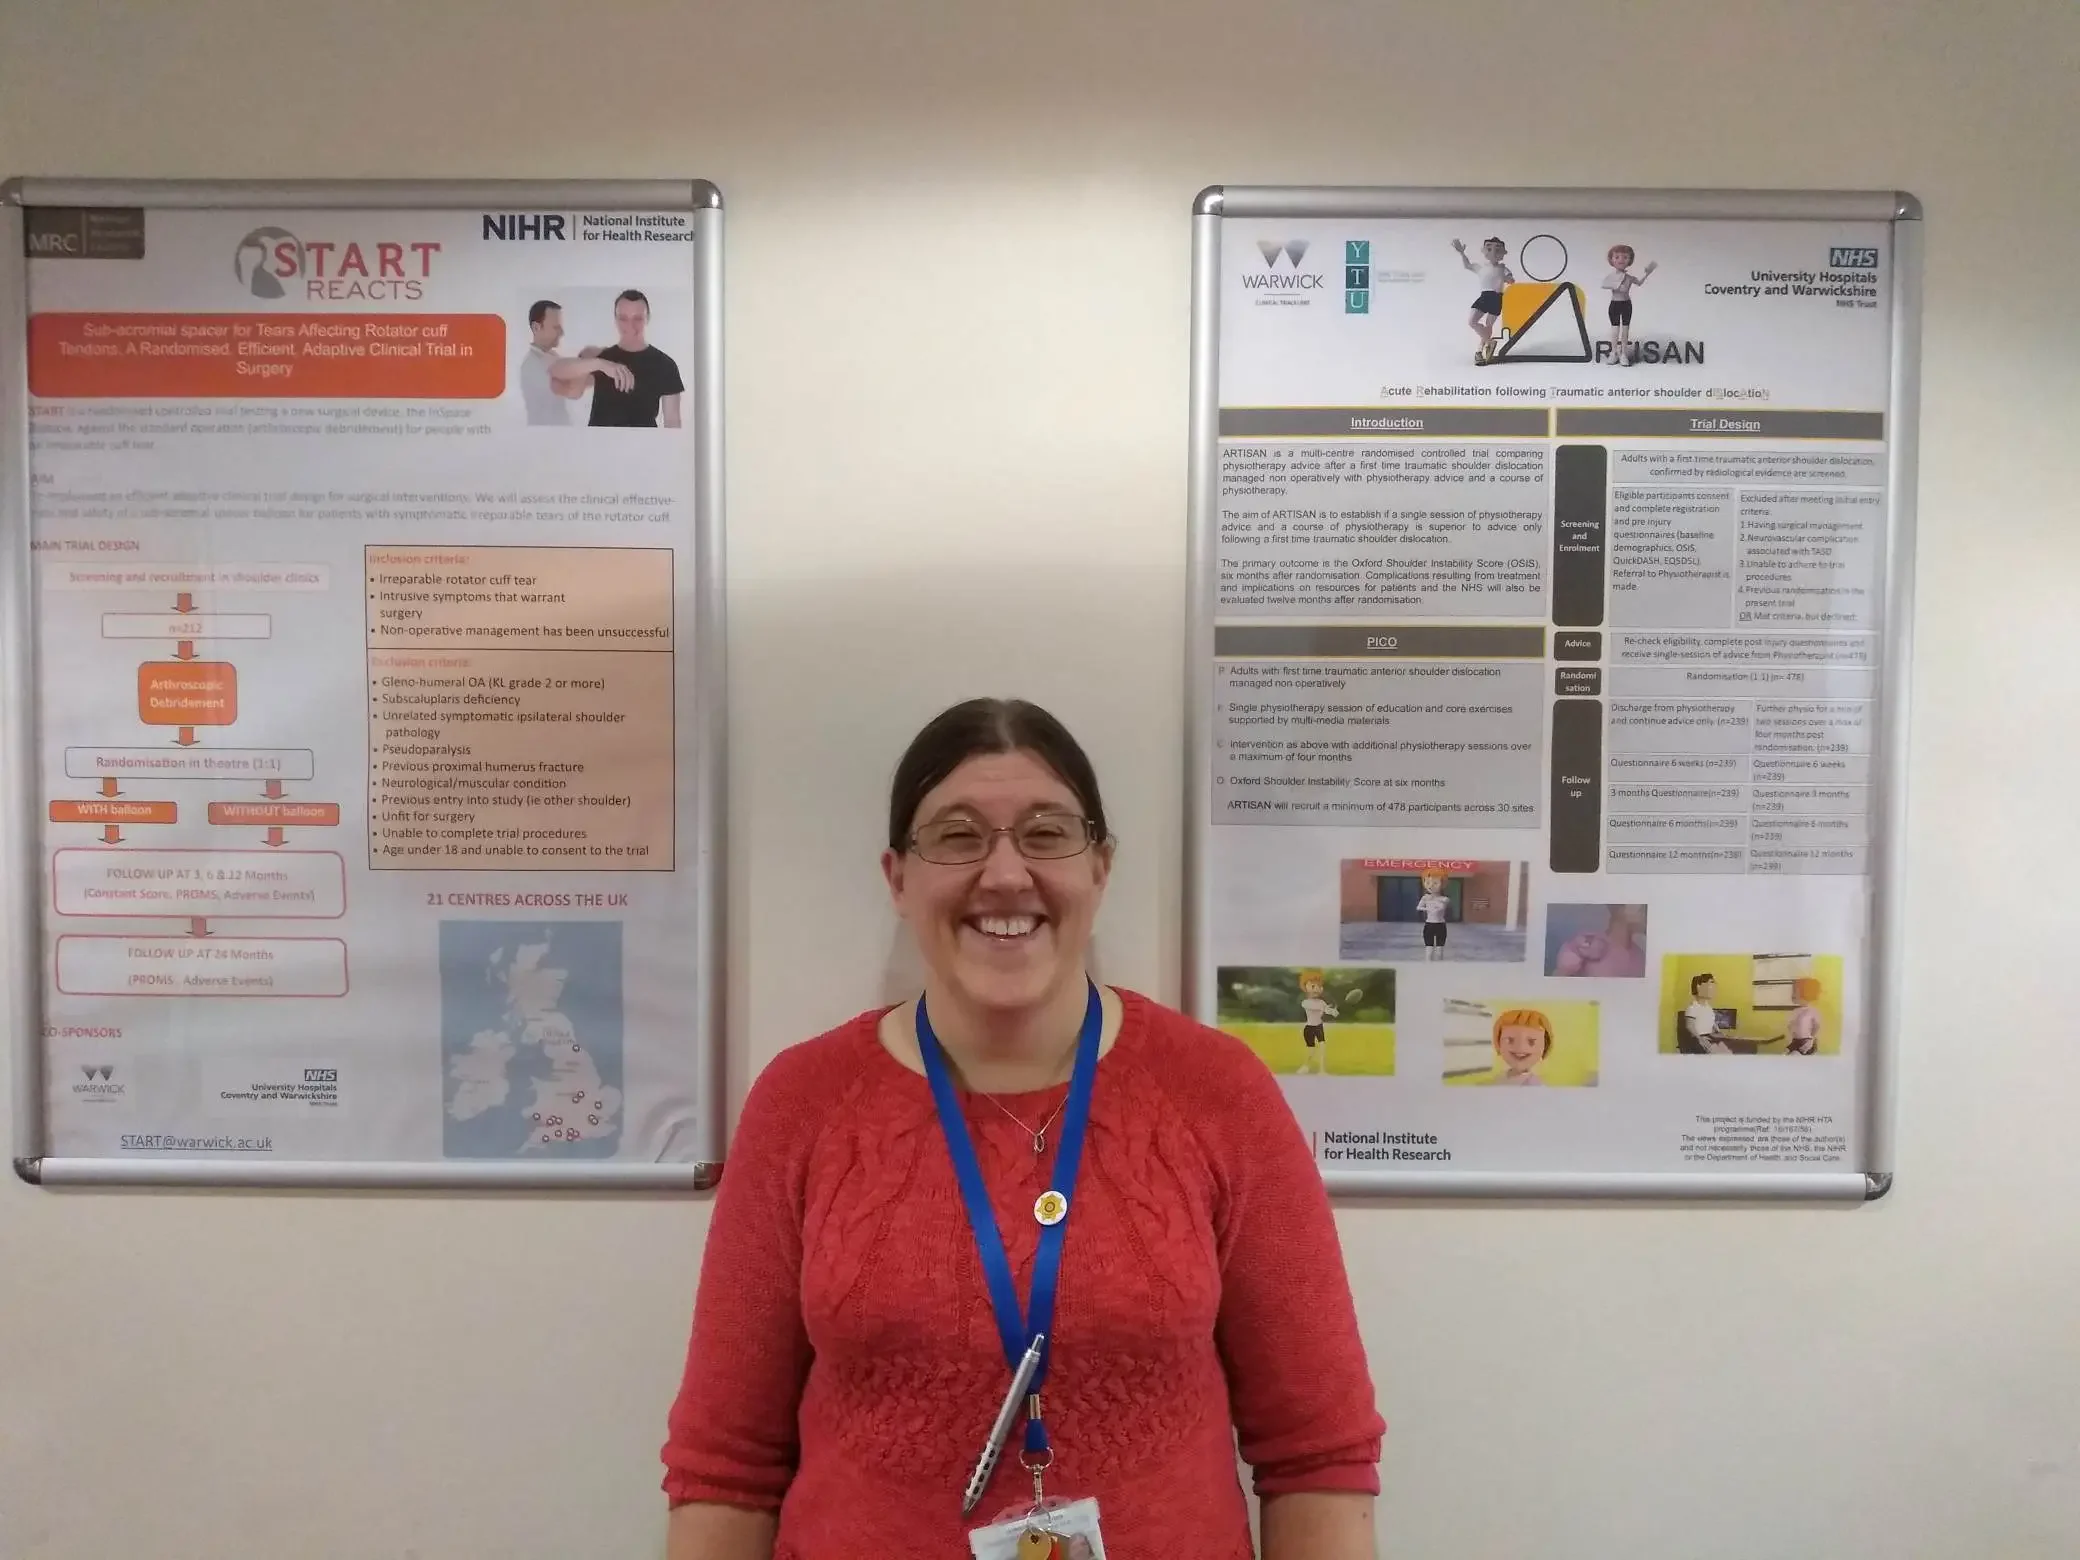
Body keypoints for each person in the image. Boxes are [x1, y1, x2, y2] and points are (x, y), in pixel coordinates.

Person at [661, 698, 1382, 1559]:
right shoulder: (803, 1104)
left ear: (1100, 868)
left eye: (1046, 834)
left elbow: (1317, 1452)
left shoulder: (1216, 1094)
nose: (1005, 874)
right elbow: (726, 1466)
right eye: (957, 836)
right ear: (898, 878)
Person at [517, 299, 634, 426]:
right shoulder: (532, 364)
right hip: (544, 435)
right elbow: (571, 389)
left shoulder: (551, 356)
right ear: (536, 327)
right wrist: (597, 363)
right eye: (556, 327)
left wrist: (612, 359)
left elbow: (581, 382)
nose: (562, 333)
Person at [580, 288, 684, 427]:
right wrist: (597, 363)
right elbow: (569, 388)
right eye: (623, 318)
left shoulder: (666, 365)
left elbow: (672, 421)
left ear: (648, 318)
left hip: (644, 440)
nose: (631, 326)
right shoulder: (600, 358)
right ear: (615, 319)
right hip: (599, 440)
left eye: (638, 318)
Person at [1451, 235, 1513, 364]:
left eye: (1497, 250)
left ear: (1503, 253)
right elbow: (1468, 265)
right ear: (1484, 251)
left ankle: (1480, 351)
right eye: (1489, 249)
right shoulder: (1481, 268)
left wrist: (1506, 278)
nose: (1493, 252)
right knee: (1472, 321)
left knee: (1488, 325)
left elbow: (1511, 280)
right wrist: (1462, 253)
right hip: (1484, 296)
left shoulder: (1503, 269)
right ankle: (1489, 342)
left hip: (1496, 297)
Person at [1599, 244, 1657, 365]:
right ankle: (1614, 352)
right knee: (1615, 329)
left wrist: (1647, 274)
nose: (1621, 260)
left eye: (1625, 257)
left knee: (1625, 330)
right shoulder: (1612, 277)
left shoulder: (1629, 277)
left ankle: (1623, 353)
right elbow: (1604, 284)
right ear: (1611, 259)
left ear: (1630, 260)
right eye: (1617, 257)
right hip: (1615, 304)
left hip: (1626, 304)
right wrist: (1617, 286)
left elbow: (1639, 283)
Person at [1554, 904, 1647, 978]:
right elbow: (1554, 988)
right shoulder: (1584, 945)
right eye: (1643, 907)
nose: (1646, 912)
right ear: (1620, 909)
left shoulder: (1641, 957)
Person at [1486, 1007, 1552, 1085]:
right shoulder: (1502, 1077)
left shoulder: (1534, 1085)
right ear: (1498, 1042)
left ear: (1545, 1046)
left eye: (1531, 1042)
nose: (1520, 1047)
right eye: (1510, 1040)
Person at [1296, 967, 1339, 1075]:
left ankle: (1322, 1070)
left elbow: (1326, 1010)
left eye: (1319, 986)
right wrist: (1325, 1009)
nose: (1316, 989)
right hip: (1309, 1029)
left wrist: (1333, 1012)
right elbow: (1316, 1008)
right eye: (1313, 986)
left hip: (1319, 1027)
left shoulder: (1321, 1002)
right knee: (1311, 1050)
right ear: (1305, 987)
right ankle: (1306, 1066)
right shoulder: (1306, 1002)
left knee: (1322, 1047)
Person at [1682, 972, 1729, 1054]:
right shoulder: (1693, 1007)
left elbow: (1713, 1025)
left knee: (1728, 1050)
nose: (1713, 988)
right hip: (1699, 1040)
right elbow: (1689, 1026)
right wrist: (1700, 1039)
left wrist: (1721, 1034)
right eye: (1710, 983)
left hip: (1710, 1038)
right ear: (1698, 987)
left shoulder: (1709, 1008)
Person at [1416, 869, 1451, 962]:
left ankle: (1439, 967)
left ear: (1443, 884)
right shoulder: (1425, 898)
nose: (1431, 885)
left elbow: (1440, 908)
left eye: (1435, 883)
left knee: (1440, 951)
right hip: (1429, 924)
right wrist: (1427, 908)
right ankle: (1428, 967)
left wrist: (1433, 902)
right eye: (1428, 882)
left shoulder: (1444, 899)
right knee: (1429, 950)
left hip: (1440, 925)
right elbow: (1418, 907)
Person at [1786, 975, 1823, 1055]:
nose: (1793, 995)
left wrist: (1811, 1041)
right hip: (1795, 1041)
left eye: (1796, 992)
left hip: (1807, 1042)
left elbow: (1817, 1028)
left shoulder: (1813, 1011)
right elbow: (1791, 1027)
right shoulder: (1795, 1011)